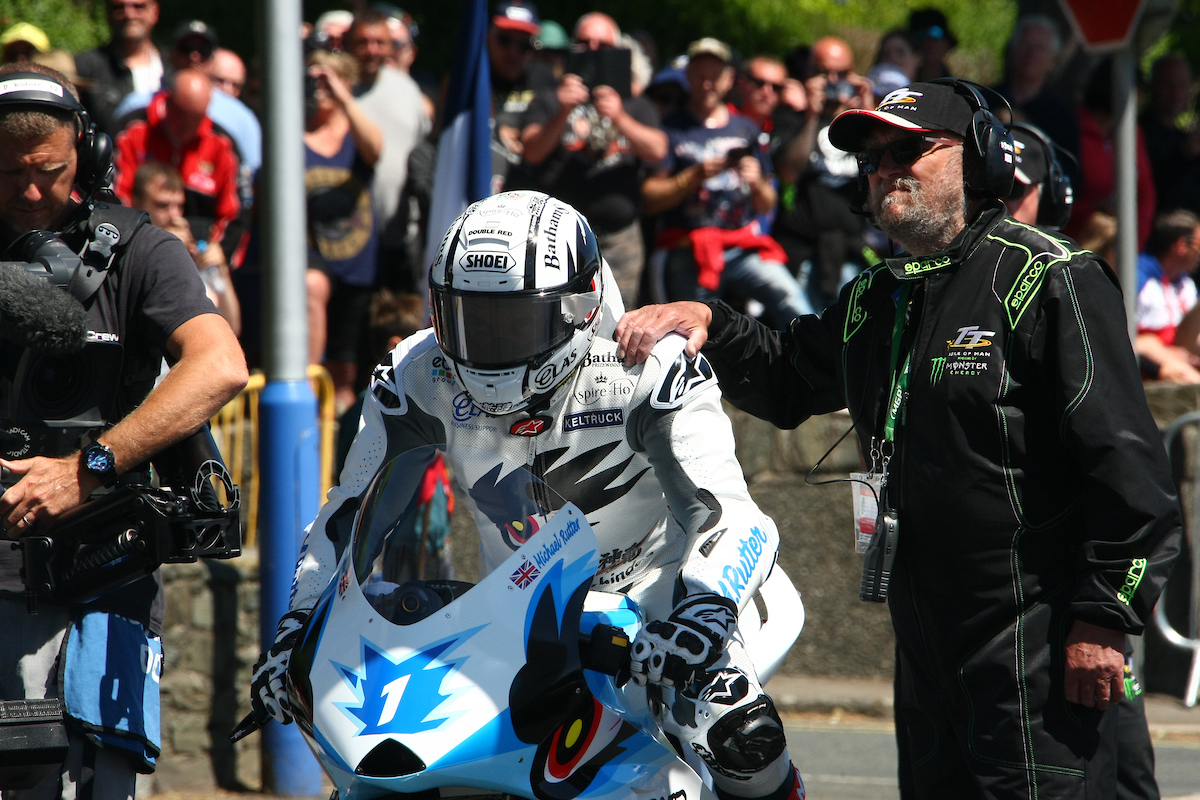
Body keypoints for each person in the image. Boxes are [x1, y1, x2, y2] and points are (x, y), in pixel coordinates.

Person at [615, 80, 1182, 799]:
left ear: (978, 160)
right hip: (926, 659)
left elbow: (1133, 474)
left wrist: (1104, 617)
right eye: (873, 157)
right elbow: (785, 378)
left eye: (909, 149)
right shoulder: (875, 298)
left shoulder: (1049, 279)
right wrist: (709, 317)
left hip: (1039, 651)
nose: (886, 167)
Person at [249, 190, 806, 800]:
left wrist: (705, 612)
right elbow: (349, 512)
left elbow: (732, 514)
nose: (485, 345)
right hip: (517, 618)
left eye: (512, 322)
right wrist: (299, 623)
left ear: (581, 302)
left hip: (664, 603)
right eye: (466, 319)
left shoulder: (649, 367)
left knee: (739, 732)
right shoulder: (418, 373)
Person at [0, 63, 246, 798]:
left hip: (110, 560)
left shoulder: (140, 250)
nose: (31, 190)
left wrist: (89, 467)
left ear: (89, 153)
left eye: (49, 170)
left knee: (102, 779)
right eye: (9, 173)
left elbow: (222, 366)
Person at [643, 38, 805, 330]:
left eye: (715, 77)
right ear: (688, 76)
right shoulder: (669, 128)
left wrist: (757, 184)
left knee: (790, 297)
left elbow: (768, 203)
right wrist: (691, 177)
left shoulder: (746, 128)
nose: (707, 84)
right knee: (689, 325)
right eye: (700, 76)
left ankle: (816, 360)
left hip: (740, 243)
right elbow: (649, 199)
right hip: (688, 246)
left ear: (729, 79)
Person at [520, 12, 667, 310]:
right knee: (557, 318)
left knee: (619, 321)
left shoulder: (636, 103)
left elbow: (658, 150)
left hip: (619, 240)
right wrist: (563, 111)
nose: (593, 49)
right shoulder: (550, 99)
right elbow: (531, 151)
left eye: (603, 43)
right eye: (585, 42)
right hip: (557, 240)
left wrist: (620, 117)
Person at [303, 49, 383, 412]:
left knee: (345, 372)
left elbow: (377, 150)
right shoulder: (296, 132)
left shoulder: (357, 132)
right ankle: (302, 405)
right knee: (311, 287)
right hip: (311, 255)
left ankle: (339, 454)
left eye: (327, 78)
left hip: (355, 261)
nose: (320, 87)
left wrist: (343, 96)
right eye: (313, 78)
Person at [772, 36, 874, 314]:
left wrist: (869, 115)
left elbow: (881, 170)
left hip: (850, 253)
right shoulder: (791, 115)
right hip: (803, 253)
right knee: (804, 339)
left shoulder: (862, 121)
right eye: (822, 73)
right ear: (807, 73)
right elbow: (788, 172)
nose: (832, 80)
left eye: (841, 74)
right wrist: (811, 114)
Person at [112, 69, 242, 262]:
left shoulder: (222, 145)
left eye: (196, 119)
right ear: (168, 101)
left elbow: (234, 213)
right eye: (182, 116)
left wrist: (216, 251)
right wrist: (147, 240)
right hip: (134, 247)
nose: (187, 127)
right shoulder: (133, 129)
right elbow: (114, 197)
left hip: (199, 255)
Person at [345, 10, 431, 294]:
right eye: (363, 42)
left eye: (379, 42)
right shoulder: (336, 89)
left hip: (401, 238)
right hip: (346, 238)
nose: (372, 50)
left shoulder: (407, 90)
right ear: (348, 44)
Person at [130, 161, 241, 335]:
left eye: (179, 206)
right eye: (162, 205)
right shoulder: (128, 252)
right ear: (136, 203)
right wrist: (168, 250)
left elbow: (232, 328)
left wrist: (222, 270)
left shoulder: (198, 250)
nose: (174, 215)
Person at [992, 15, 1080, 185]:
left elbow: (1072, 177)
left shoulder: (1061, 115)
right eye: (1025, 44)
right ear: (1013, 50)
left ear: (1052, 61)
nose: (1031, 54)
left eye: (1040, 48)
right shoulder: (988, 98)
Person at [74, 0, 170, 138]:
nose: (129, 14)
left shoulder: (175, 67)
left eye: (138, 7)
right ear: (107, 12)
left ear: (154, 12)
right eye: (119, 7)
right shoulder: (86, 66)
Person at [488, 0, 556, 190]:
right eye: (505, 40)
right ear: (489, 38)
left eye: (524, 45)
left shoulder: (544, 78)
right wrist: (498, 131)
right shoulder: (474, 79)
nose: (513, 52)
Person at [1135, 210, 1200, 384]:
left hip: (1180, 354)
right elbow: (1127, 338)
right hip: (1148, 362)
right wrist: (1170, 353)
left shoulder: (1186, 283)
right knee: (1149, 344)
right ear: (1181, 246)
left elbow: (1189, 336)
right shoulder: (1139, 277)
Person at [1141, 54, 1200, 216]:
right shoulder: (1138, 135)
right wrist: (1183, 157)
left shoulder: (1183, 138)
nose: (1176, 94)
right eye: (1167, 86)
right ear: (1152, 87)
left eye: (1181, 86)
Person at [907, 8, 955, 81]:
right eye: (920, 35)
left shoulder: (956, 88)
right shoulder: (898, 85)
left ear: (947, 43)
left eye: (935, 33)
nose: (927, 42)